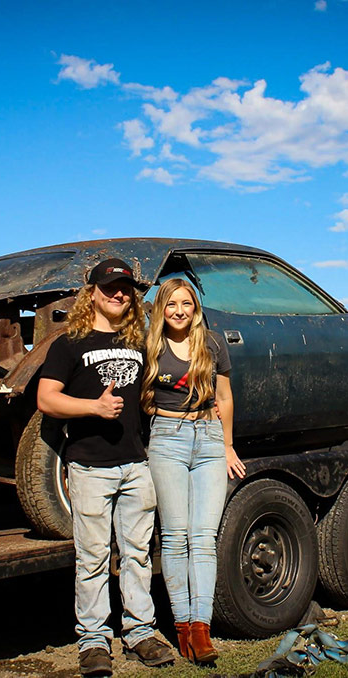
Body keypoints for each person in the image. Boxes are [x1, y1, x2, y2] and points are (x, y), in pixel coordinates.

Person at [36, 258, 175, 677]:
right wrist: (93, 407)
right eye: (110, 287)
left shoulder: (138, 342)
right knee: (93, 558)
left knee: (137, 556)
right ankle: (94, 641)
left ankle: (140, 632)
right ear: (92, 293)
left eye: (126, 289)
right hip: (90, 467)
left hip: (136, 465)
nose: (119, 294)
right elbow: (46, 399)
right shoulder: (68, 343)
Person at [141, 278, 246, 663]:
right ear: (161, 310)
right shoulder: (150, 345)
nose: (179, 311)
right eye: (171, 305)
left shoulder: (213, 342)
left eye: (186, 303)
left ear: (195, 307)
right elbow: (141, 397)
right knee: (174, 536)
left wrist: (227, 445)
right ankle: (181, 625)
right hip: (167, 440)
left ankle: (201, 630)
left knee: (203, 537)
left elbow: (225, 397)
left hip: (209, 438)